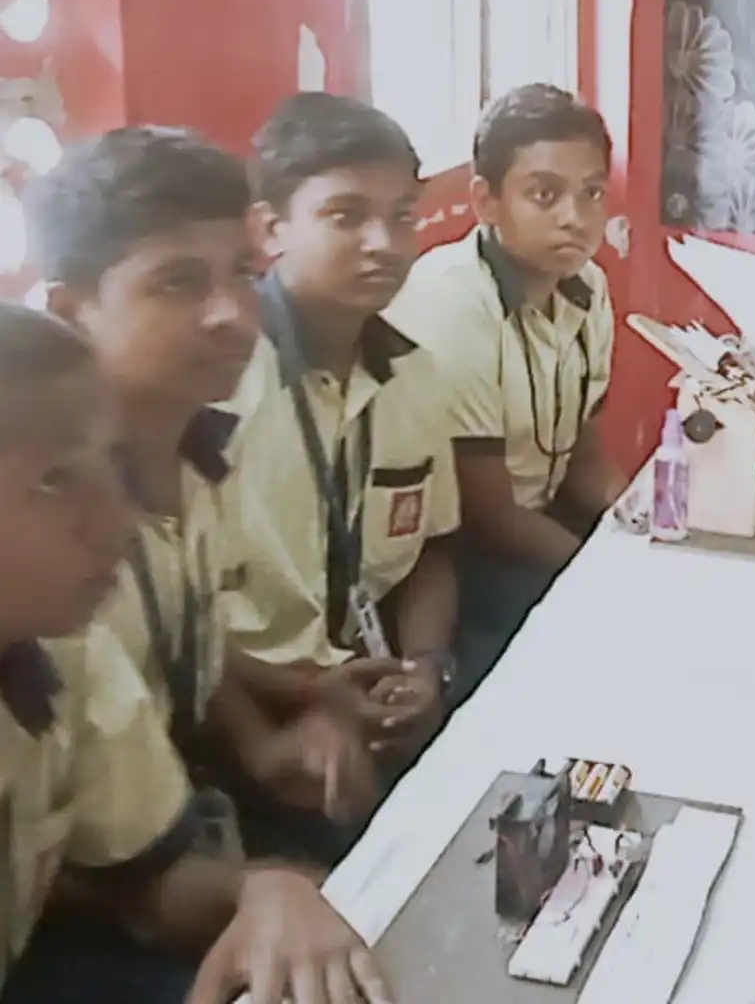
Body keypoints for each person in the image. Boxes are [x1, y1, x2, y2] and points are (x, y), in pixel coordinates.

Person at [0, 303, 388, 1004]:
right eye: (55, 480)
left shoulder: (65, 648)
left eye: (111, 465)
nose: (120, 522)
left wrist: (263, 890)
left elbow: (151, 880)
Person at [25, 126, 379, 848]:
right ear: (69, 313)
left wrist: (272, 732)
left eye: (242, 275)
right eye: (178, 283)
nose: (231, 314)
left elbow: (189, 641)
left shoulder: (203, 453)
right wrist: (239, 888)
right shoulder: (48, 524)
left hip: (188, 789)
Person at [226, 93, 460, 821]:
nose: (383, 243)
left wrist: (426, 668)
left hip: (362, 676)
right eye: (344, 215)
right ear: (271, 229)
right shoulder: (220, 385)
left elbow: (431, 552)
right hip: (245, 708)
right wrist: (291, 714)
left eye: (402, 217)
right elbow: (176, 622)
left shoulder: (415, 375)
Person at [386, 84, 624, 695]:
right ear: (485, 201)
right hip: (462, 553)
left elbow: (585, 454)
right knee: (604, 642)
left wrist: (635, 527)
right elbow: (488, 516)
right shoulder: (453, 302)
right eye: (544, 195)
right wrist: (605, 572)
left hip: (541, 521)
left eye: (593, 193)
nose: (576, 217)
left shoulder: (588, 286)